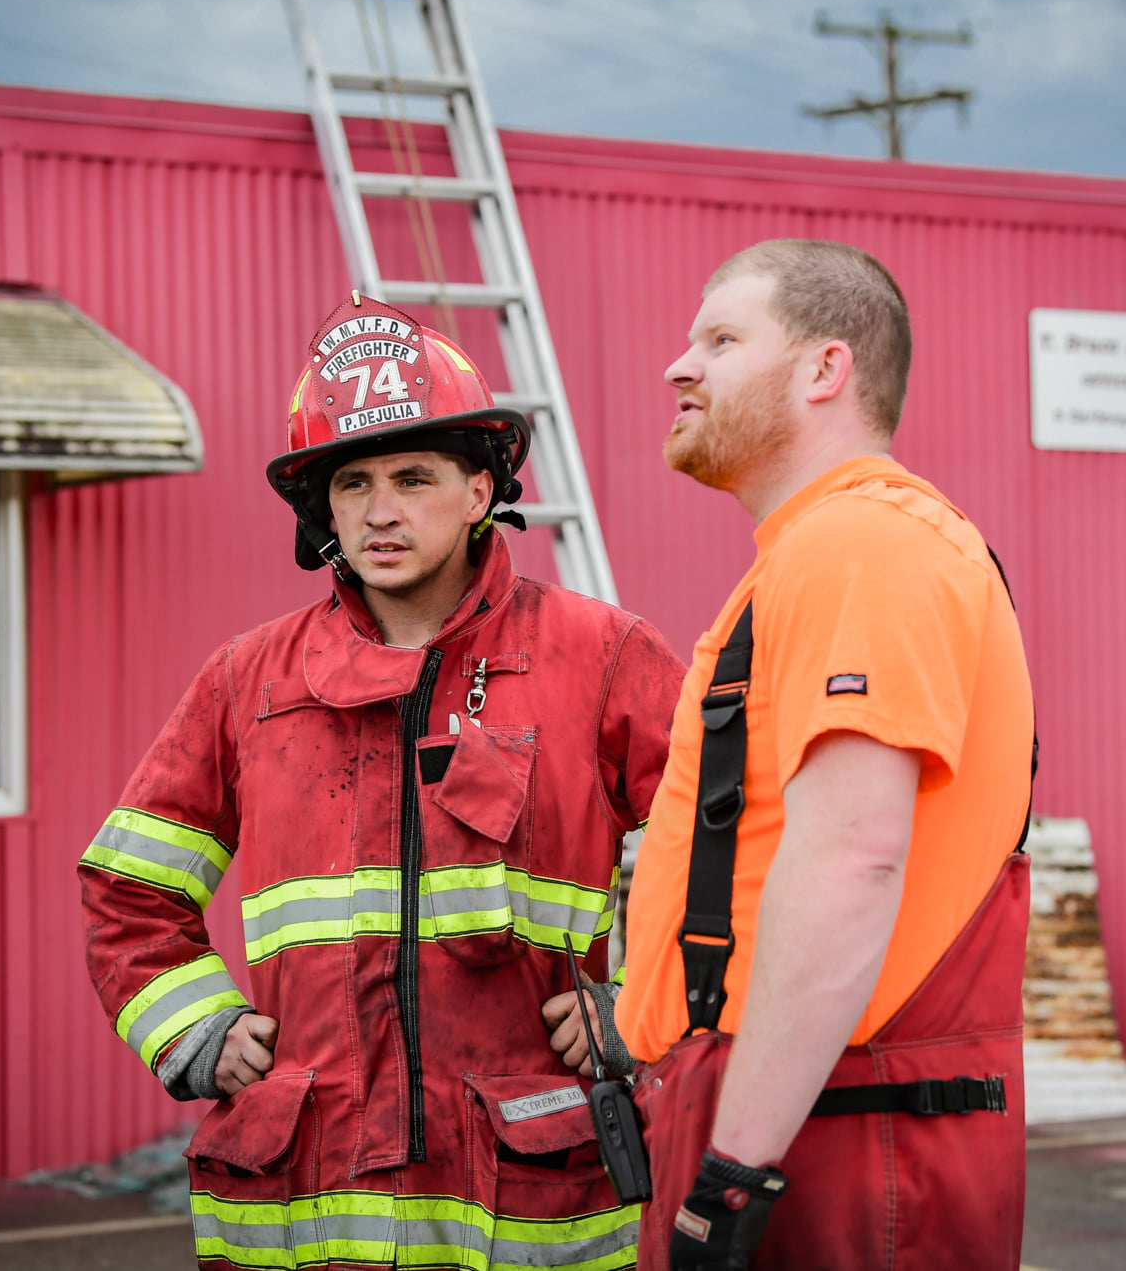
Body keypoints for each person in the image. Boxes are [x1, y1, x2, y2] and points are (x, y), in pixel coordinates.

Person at [79, 294, 685, 1270]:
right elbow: (129, 885)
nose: (379, 510)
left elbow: (729, 848)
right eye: (351, 483)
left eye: (413, 476)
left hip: (528, 1193)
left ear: (480, 490)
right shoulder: (248, 680)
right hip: (304, 1193)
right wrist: (195, 1025)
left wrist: (639, 1001)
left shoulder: (601, 656)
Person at [612, 240, 1037, 1270]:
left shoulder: (863, 541)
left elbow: (851, 856)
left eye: (719, 338)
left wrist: (732, 1170)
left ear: (823, 370)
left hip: (832, 1134)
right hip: (811, 1109)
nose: (680, 366)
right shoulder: (815, 551)